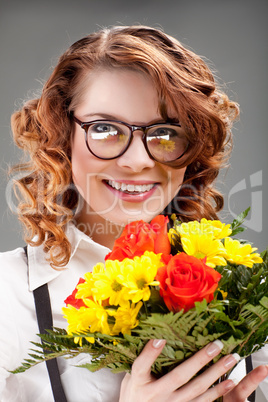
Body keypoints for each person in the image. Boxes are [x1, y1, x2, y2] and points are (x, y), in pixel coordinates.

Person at [0, 25, 267, 402]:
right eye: (105, 128)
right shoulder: (5, 299)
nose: (137, 161)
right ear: (62, 136)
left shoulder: (249, 301)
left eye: (165, 132)